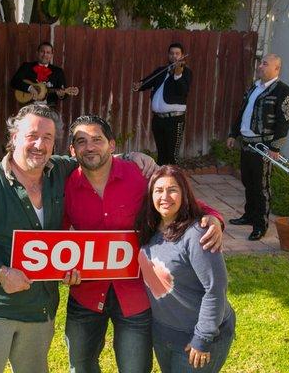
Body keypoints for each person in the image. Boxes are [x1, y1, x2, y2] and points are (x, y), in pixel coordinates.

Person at [0, 105, 156, 373]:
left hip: (38, 308)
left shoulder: (57, 174)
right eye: (32, 135)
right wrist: (0, 272)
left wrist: (133, 156)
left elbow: (94, 157)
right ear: (13, 138)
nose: (39, 145)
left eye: (47, 138)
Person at [63, 115, 225, 373]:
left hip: (134, 295)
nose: (90, 147)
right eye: (81, 142)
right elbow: (57, 238)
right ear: (72, 150)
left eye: (97, 139)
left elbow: (176, 199)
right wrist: (62, 269)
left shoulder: (138, 175)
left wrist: (214, 218)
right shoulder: (66, 185)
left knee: (135, 369)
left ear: (112, 145)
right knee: (80, 367)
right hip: (86, 294)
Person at [137, 165, 236, 373]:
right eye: (158, 190)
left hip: (197, 338)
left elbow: (216, 288)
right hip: (164, 335)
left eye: (172, 189)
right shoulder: (149, 228)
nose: (165, 196)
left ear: (184, 194)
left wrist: (202, 338)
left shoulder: (196, 234)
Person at [226, 54, 289, 241]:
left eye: (265, 64)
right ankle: (249, 215)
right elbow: (242, 112)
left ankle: (261, 224)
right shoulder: (254, 87)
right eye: (260, 63)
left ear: (276, 68)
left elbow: (285, 121)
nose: (260, 66)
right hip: (247, 143)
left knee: (261, 186)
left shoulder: (284, 91)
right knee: (248, 182)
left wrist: (276, 147)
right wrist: (233, 134)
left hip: (264, 146)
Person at [132, 43, 192, 165]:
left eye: (177, 54)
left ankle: (176, 181)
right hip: (158, 120)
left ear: (182, 56)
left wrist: (177, 75)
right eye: (171, 53)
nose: (174, 56)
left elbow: (183, 90)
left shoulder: (185, 72)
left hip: (175, 119)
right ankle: (162, 181)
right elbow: (146, 82)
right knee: (161, 154)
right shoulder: (161, 71)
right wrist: (138, 86)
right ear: (168, 55)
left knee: (173, 155)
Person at [11, 41, 67, 107]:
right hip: (29, 107)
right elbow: (14, 82)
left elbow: (64, 94)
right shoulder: (26, 66)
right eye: (42, 51)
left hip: (49, 109)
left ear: (52, 55)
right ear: (37, 53)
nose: (44, 55)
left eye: (48, 53)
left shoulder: (58, 71)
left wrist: (61, 94)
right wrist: (30, 88)